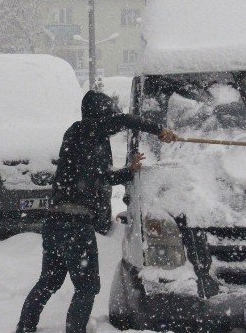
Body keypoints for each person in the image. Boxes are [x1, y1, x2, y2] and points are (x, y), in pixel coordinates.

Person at [16, 90, 177, 333]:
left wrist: (129, 170)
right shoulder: (83, 130)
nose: (113, 123)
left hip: (56, 223)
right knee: (87, 287)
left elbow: (103, 177)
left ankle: (24, 328)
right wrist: (159, 130)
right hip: (74, 225)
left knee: (49, 281)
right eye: (109, 115)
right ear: (100, 114)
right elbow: (123, 120)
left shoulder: (86, 140)